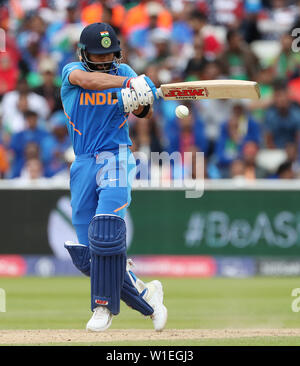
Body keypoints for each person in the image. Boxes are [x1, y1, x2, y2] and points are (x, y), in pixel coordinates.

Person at [61, 22, 167, 332]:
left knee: (106, 230)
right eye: (98, 54)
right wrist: (129, 84)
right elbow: (90, 81)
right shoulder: (72, 72)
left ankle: (102, 306)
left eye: (109, 54)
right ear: (84, 53)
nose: (104, 60)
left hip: (116, 156)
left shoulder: (127, 73)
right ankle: (146, 294)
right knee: (88, 256)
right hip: (82, 162)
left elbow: (144, 113)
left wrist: (142, 98)